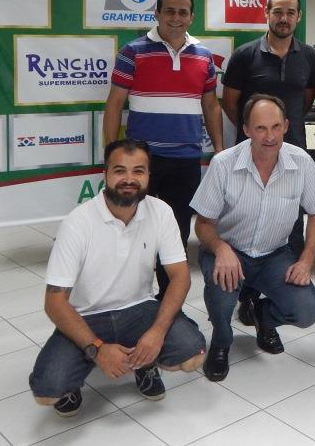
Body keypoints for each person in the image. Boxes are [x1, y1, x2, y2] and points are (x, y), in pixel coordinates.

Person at [29, 139, 206, 417]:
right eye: (120, 170)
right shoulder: (78, 222)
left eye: (138, 171)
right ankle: (76, 374)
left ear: (148, 175)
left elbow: (180, 277)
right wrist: (97, 350)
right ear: (105, 175)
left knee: (191, 355)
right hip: (87, 315)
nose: (129, 179)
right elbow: (54, 301)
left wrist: (157, 332)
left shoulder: (161, 212)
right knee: (48, 391)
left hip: (140, 310)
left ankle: (144, 364)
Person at [191, 95, 315, 382]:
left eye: (276, 127)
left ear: (286, 126)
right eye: (260, 128)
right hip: (229, 251)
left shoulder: (301, 162)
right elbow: (203, 224)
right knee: (221, 294)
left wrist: (305, 260)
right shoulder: (224, 164)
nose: (269, 136)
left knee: (306, 311)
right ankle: (221, 339)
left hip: (274, 255)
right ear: (245, 130)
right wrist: (220, 248)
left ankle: (263, 317)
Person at [104, 0, 224, 299]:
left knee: (176, 233)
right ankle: (132, 298)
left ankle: (167, 302)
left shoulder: (204, 57)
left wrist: (220, 150)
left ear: (192, 17)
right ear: (156, 14)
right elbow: (115, 104)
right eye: (169, 11)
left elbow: (211, 105)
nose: (176, 18)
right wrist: (112, 155)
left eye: (183, 12)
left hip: (186, 160)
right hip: (142, 162)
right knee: (134, 230)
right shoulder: (133, 52)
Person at [221, 0, 315, 323]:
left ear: (299, 17)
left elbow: (305, 101)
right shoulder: (245, 55)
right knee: (251, 224)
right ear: (267, 12)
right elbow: (230, 103)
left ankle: (270, 302)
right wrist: (258, 135)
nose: (284, 18)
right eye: (278, 11)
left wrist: (281, 136)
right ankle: (244, 293)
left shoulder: (308, 56)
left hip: (293, 158)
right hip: (252, 157)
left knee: (291, 228)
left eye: (291, 12)